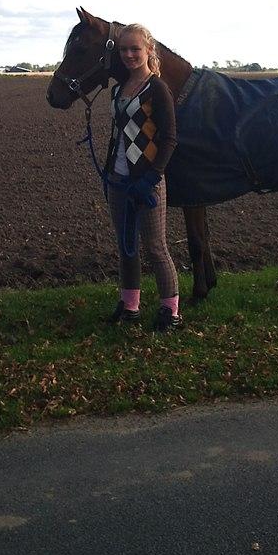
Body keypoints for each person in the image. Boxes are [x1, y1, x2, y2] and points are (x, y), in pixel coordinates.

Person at [103, 23, 181, 332]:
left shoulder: (157, 88)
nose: (129, 55)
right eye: (124, 50)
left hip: (146, 181)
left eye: (135, 49)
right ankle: (130, 306)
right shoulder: (118, 89)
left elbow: (170, 139)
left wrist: (152, 177)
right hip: (119, 180)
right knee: (127, 246)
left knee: (155, 247)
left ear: (149, 50)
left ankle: (170, 311)